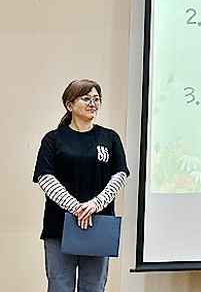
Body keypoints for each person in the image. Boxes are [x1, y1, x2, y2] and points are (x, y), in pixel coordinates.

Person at [32, 79, 129, 292]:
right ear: (70, 104)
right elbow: (45, 178)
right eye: (86, 99)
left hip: (99, 224)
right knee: (60, 286)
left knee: (93, 287)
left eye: (97, 99)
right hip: (60, 226)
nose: (93, 103)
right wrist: (76, 207)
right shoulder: (53, 139)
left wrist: (95, 204)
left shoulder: (109, 137)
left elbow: (120, 175)